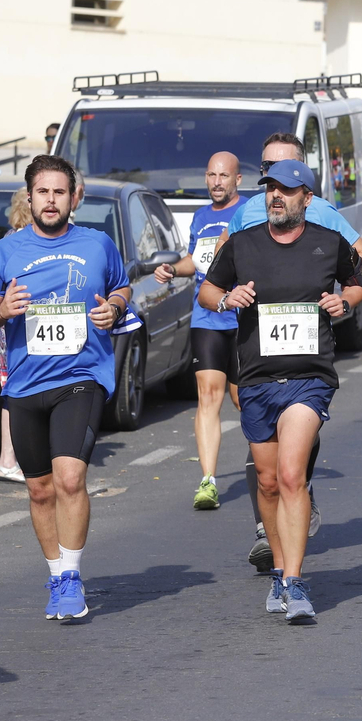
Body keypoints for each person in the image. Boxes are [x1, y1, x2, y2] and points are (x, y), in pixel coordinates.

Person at [201, 160, 362, 622]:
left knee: (293, 475)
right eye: (271, 188)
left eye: (287, 189)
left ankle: (295, 583)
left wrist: (344, 300)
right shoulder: (242, 244)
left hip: (309, 378)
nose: (276, 196)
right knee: (270, 482)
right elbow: (207, 291)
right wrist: (226, 299)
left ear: (306, 198)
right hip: (256, 378)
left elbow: (361, 280)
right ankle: (279, 570)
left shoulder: (327, 242)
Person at [0, 155, 131, 622]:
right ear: (29, 197)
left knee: (69, 478)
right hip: (25, 383)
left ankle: (71, 577)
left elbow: (122, 289)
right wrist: (3, 310)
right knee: (40, 489)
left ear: (73, 197)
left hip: (80, 379)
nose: (50, 200)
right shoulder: (4, 251)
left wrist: (115, 309)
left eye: (59, 192)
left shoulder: (99, 245)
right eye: (42, 192)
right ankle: (55, 571)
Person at [227, 132, 362, 569]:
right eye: (267, 171)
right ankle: (272, 521)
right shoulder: (245, 215)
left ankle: (289, 533)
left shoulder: (324, 216)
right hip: (254, 354)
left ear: (304, 184)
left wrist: (343, 299)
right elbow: (218, 266)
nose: (274, 182)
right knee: (266, 460)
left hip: (308, 362)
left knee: (291, 464)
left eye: (284, 171)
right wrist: (223, 299)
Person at [154, 152, 245, 511]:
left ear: (238, 179)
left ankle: (265, 464)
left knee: (243, 401)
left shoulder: (250, 210)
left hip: (242, 318)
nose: (217, 182)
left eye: (224, 175)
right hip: (207, 317)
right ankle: (208, 480)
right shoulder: (201, 216)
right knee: (208, 396)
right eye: (211, 175)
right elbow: (198, 258)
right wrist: (173, 270)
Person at [0, 189, 33, 484]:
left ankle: (10, 458)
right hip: (10, 328)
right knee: (13, 390)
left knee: (9, 389)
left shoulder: (6, 239)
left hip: (2, 328)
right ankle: (7, 460)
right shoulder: (21, 244)